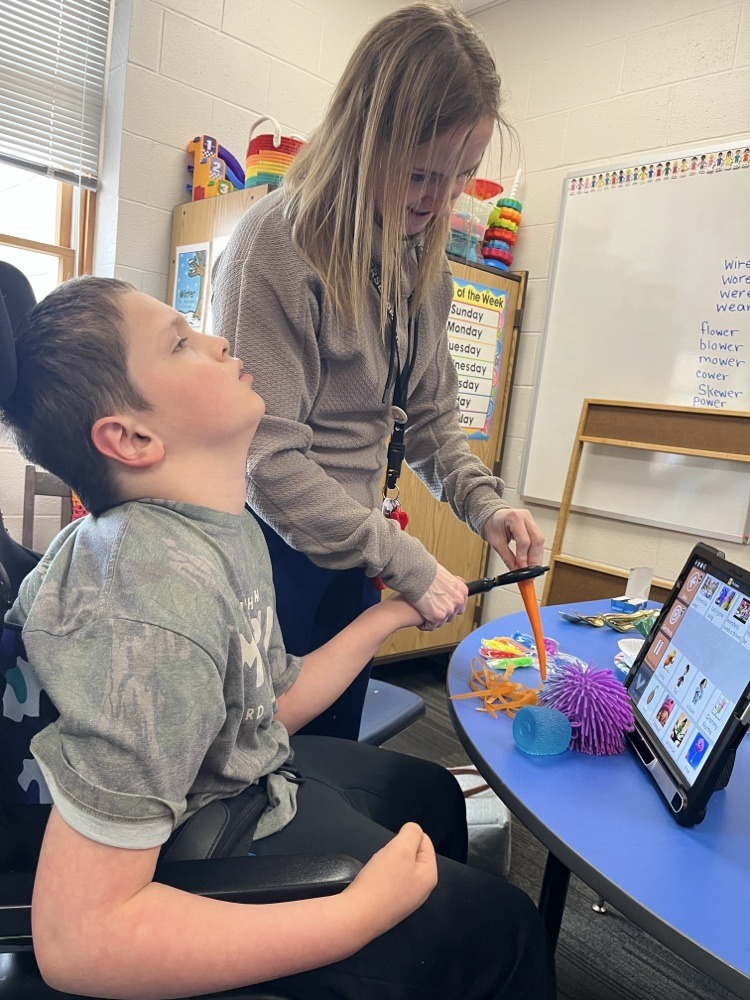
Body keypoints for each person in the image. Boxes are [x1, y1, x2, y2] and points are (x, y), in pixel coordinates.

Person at [1, 277, 556, 1000]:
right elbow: (81, 941)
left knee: (433, 797)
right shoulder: (147, 611)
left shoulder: (216, 528)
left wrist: (387, 614)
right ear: (133, 438)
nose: (219, 340)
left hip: (235, 779)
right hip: (197, 842)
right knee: (505, 928)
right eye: (180, 342)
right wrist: (355, 915)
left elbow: (273, 699)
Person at [212, 0, 545, 739]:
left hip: (351, 550)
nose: (437, 203)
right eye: (422, 174)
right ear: (364, 139)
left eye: (459, 180)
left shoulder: (424, 267)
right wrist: (403, 559)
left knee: (331, 759)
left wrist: (486, 504)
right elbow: (265, 458)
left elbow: (428, 422)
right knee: (256, 760)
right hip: (268, 549)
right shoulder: (275, 247)